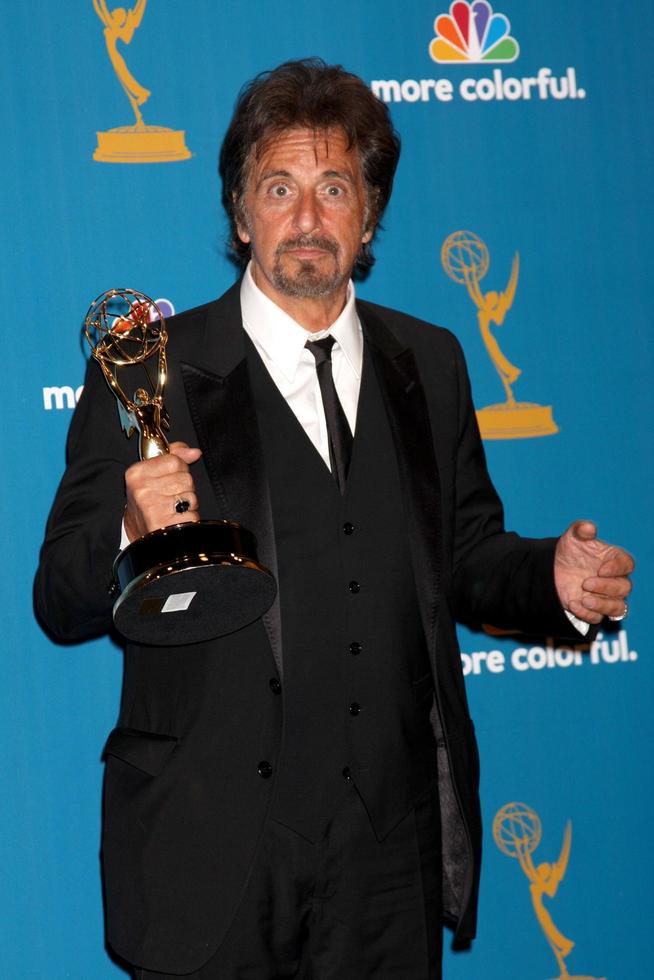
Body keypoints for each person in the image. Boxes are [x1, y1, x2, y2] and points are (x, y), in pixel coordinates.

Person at [35, 59, 634, 979]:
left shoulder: (429, 362)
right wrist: (126, 532)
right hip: (212, 854)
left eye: (334, 188)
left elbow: (467, 555)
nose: (307, 219)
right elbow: (59, 597)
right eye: (279, 188)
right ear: (240, 213)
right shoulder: (148, 365)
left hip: (386, 857)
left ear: (369, 215)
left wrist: (550, 579)